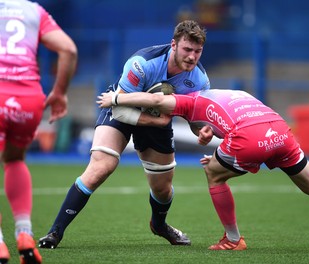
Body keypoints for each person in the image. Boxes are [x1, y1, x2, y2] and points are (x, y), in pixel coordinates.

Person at [96, 88, 309, 252]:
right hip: (280, 129)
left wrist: (116, 99)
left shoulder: (189, 101)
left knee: (213, 173)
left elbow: (157, 100)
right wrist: (219, 146)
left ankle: (233, 238)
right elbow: (234, 123)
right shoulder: (231, 94)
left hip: (251, 138)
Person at [38, 20, 209, 249]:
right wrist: (155, 120)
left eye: (197, 51)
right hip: (123, 109)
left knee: (162, 188)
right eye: (187, 49)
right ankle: (54, 233)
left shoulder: (199, 79)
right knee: (101, 167)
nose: (192, 56)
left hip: (158, 120)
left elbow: (195, 117)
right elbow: (118, 107)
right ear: (174, 45)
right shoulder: (142, 63)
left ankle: (159, 225)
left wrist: (202, 130)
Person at [0, 0, 78, 263]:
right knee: (14, 160)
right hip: (29, 99)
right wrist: (59, 93)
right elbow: (68, 49)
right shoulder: (33, 10)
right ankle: (24, 234)